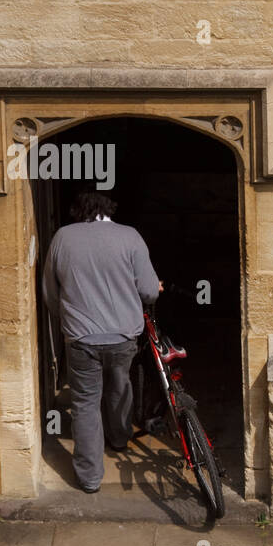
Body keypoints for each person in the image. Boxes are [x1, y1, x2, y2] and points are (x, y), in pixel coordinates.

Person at [42, 191, 162, 493]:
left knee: (84, 403)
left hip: (81, 337)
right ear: (110, 210)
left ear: (78, 211)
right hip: (123, 335)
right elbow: (149, 291)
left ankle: (90, 477)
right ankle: (119, 438)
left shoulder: (62, 238)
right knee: (120, 386)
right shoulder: (130, 236)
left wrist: (68, 318)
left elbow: (50, 293)